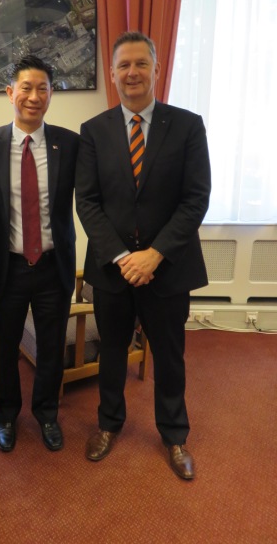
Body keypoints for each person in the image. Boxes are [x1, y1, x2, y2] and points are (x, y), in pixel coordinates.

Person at [75, 31, 211, 480]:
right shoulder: (93, 131)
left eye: (140, 64)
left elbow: (195, 198)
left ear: (157, 69)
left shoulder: (187, 126)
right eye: (123, 65)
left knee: (170, 356)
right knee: (112, 351)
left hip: (167, 268)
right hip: (112, 269)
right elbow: (87, 202)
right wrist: (121, 257)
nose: (132, 72)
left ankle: (174, 435)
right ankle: (109, 424)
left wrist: (154, 255)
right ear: (113, 74)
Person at [0, 55, 79, 453]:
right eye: (26, 88)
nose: (34, 97)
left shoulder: (69, 144)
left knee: (52, 347)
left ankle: (47, 414)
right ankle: (6, 414)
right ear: (10, 93)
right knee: (3, 347)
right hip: (9, 268)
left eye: (42, 89)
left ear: (52, 94)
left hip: (54, 267)